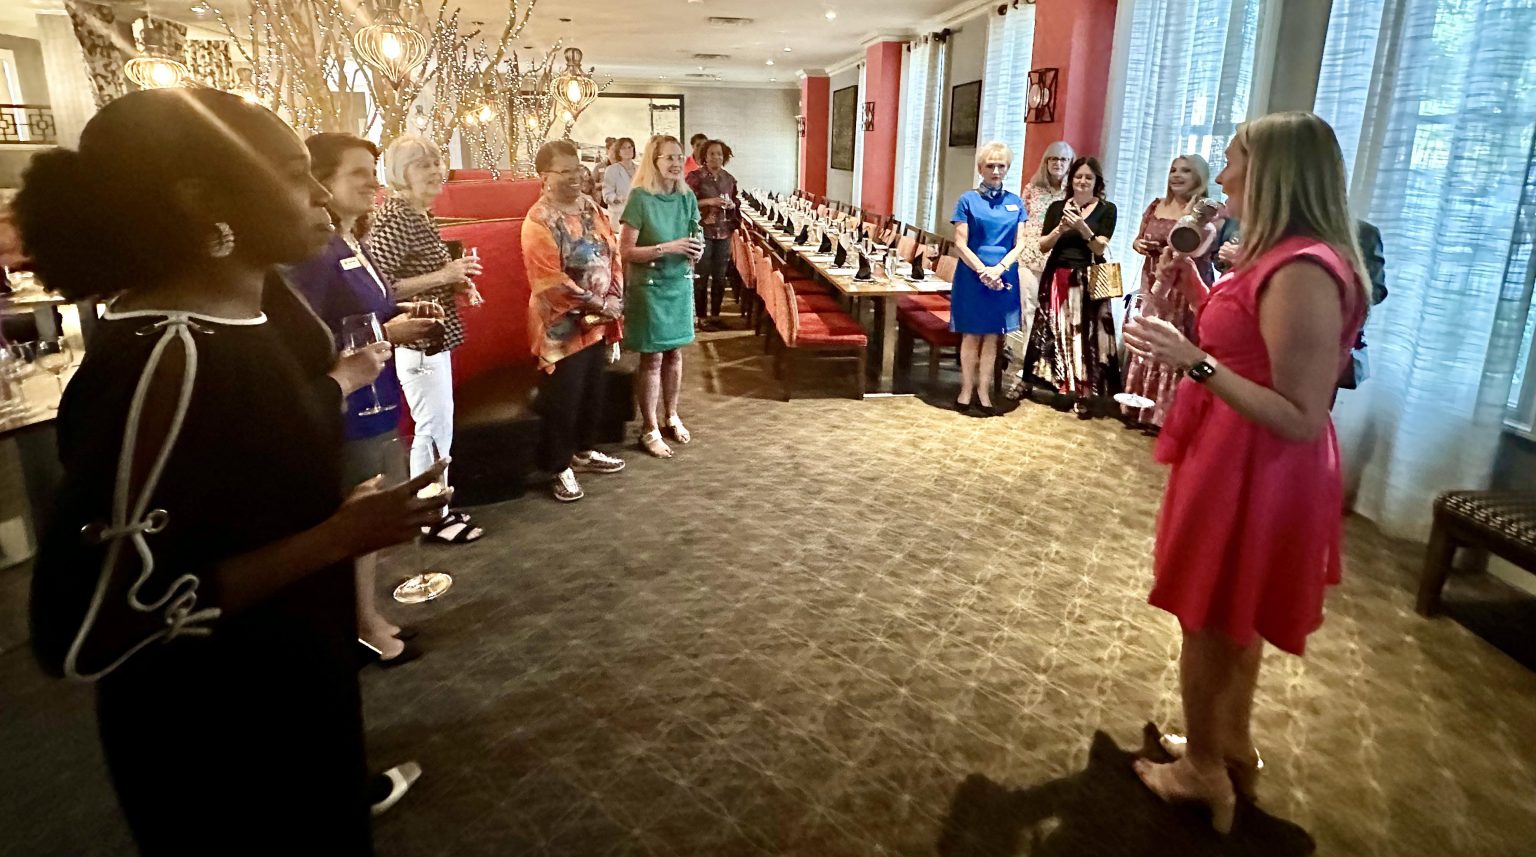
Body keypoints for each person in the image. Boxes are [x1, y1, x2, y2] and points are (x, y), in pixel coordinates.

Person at [16, 88, 450, 854]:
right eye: (292, 175)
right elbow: (85, 622)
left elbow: (257, 435)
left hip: (290, 679)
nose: (320, 195)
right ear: (201, 201)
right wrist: (334, 537)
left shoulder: (252, 316)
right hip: (215, 732)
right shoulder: (165, 358)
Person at [1121, 112, 1369, 833]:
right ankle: (1228, 744)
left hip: (1258, 466)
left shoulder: (1303, 270)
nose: (1222, 174)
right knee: (1232, 610)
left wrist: (1191, 361)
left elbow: (1299, 413)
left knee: (1208, 614)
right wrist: (1195, 284)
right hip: (1234, 450)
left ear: (1273, 173)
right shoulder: (1277, 257)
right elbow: (1248, 340)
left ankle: (1202, 771)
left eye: (1232, 160)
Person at [287, 132, 445, 664]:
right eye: (359, 173)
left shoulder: (354, 241)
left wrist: (398, 319)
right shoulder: (316, 253)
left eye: (374, 171)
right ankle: (358, 628)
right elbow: (303, 337)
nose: (373, 182)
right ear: (321, 182)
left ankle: (367, 617)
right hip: (347, 400)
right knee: (356, 514)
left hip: (377, 390)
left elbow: (368, 311)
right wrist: (387, 332)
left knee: (368, 514)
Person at [372, 135, 485, 544]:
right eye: (424, 165)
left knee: (437, 427)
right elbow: (381, 287)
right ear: (401, 173)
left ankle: (437, 507)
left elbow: (418, 277)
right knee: (433, 429)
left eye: (437, 162)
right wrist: (445, 275)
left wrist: (456, 283)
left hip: (433, 336)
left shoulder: (419, 214)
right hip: (417, 340)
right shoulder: (398, 216)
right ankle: (432, 516)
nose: (436, 170)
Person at [522, 140, 627, 502]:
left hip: (597, 321)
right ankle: (557, 465)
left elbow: (612, 252)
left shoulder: (590, 206)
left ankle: (583, 450)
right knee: (563, 398)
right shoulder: (539, 219)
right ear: (544, 176)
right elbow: (549, 281)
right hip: (560, 325)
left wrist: (614, 297)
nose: (575, 177)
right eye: (564, 171)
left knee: (591, 391)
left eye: (577, 168)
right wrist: (599, 302)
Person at [1120, 154, 1219, 428]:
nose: (1176, 175)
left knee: (1173, 340)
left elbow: (1199, 251)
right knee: (1149, 335)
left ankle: (1166, 413)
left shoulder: (1204, 214)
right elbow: (1138, 239)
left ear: (1199, 177)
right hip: (1152, 279)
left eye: (1185, 171)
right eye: (1173, 169)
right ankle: (1140, 405)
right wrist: (1139, 245)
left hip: (1183, 287)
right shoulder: (1156, 205)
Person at [620, 135, 704, 459]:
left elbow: (696, 233)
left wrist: (698, 248)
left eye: (679, 157)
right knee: (653, 358)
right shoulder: (640, 198)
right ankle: (649, 428)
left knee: (675, 353)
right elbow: (626, 251)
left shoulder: (687, 197)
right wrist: (668, 247)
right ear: (653, 161)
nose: (675, 163)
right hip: (650, 286)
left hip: (678, 283)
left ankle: (671, 415)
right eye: (668, 157)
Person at [1024, 156, 1120, 418]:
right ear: (1071, 179)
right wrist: (1060, 228)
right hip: (1058, 275)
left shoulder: (1107, 209)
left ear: (1097, 181)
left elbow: (1099, 248)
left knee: (1084, 336)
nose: (1083, 181)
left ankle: (1085, 391)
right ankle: (1061, 385)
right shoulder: (1057, 207)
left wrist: (1081, 227)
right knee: (1057, 332)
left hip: (1089, 280)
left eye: (1089, 177)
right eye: (1078, 176)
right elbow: (1043, 246)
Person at [948, 141, 1029, 416]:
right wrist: (983, 271)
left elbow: (1020, 243)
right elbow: (960, 243)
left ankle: (984, 391)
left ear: (1007, 168)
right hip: (972, 275)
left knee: (993, 336)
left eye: (1001, 166)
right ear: (980, 168)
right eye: (990, 166)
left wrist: (1000, 269)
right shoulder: (967, 200)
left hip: (1004, 277)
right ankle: (966, 389)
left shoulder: (1016, 202)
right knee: (971, 334)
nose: (996, 171)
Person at [1003, 141, 1074, 399]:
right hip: (1031, 259)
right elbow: (1020, 223)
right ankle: (1026, 375)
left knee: (1059, 320)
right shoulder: (1033, 189)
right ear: (1045, 162)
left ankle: (1057, 377)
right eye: (1053, 158)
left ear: (1070, 163)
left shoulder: (1074, 193)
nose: (1058, 164)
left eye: (1063, 160)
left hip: (1060, 262)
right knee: (1029, 316)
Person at [685, 139, 740, 330]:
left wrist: (732, 205)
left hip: (724, 231)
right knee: (701, 275)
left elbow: (735, 202)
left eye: (719, 154)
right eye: (712, 154)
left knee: (720, 276)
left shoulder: (729, 178)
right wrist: (710, 201)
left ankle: (716, 315)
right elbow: (687, 203)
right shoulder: (695, 177)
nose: (716, 157)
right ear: (704, 156)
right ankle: (701, 317)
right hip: (703, 231)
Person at [601, 136, 638, 232]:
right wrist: (618, 198)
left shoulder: (640, 169)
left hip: (638, 217)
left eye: (630, 147)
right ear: (618, 151)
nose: (627, 150)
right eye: (623, 148)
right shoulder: (612, 170)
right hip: (619, 217)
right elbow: (607, 195)